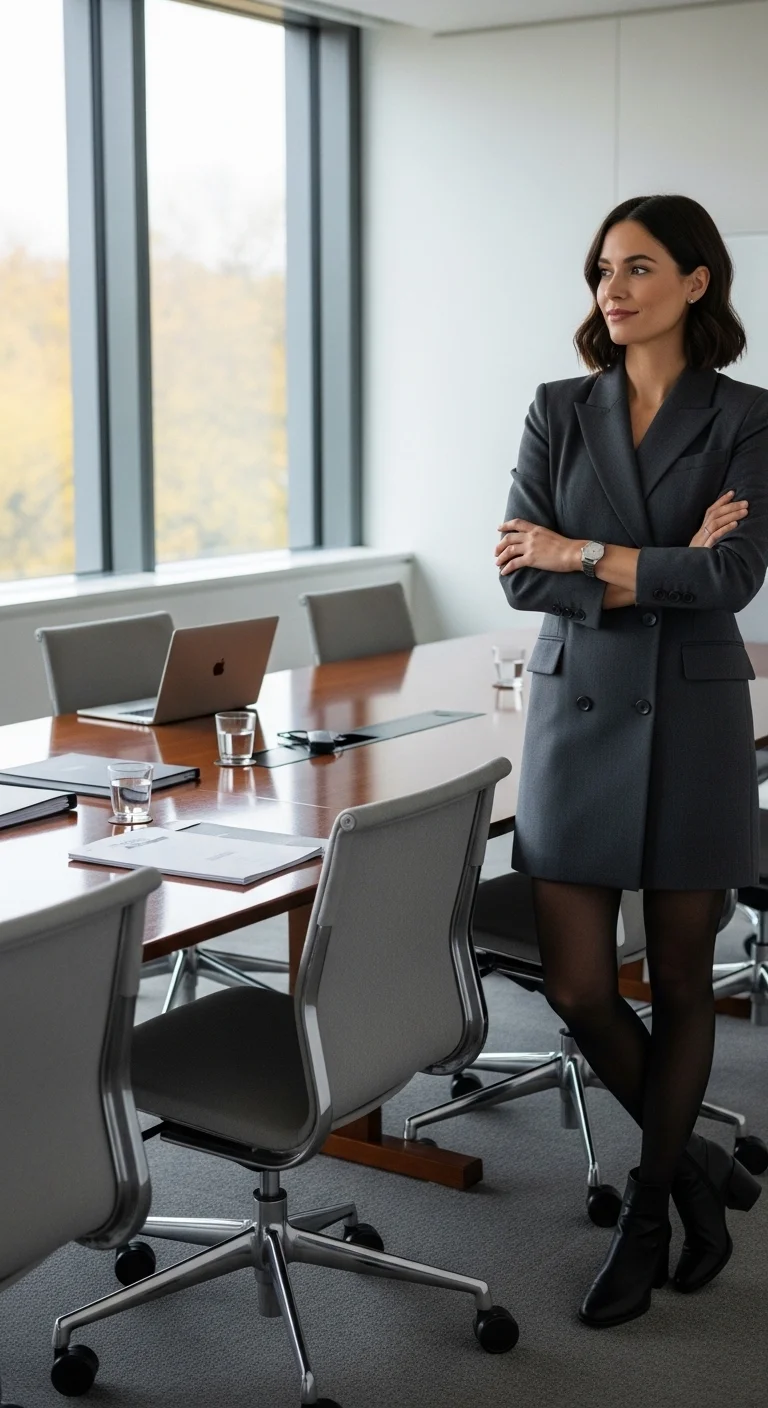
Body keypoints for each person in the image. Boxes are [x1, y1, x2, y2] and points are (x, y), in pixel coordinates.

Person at [494, 194, 767, 1329]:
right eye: (604, 267)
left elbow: (730, 579)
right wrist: (645, 562)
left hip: (697, 726)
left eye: (642, 266)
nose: (613, 287)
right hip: (574, 719)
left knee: (687, 979)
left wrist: (586, 552)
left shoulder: (748, 417)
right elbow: (519, 572)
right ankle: (699, 1178)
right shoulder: (558, 407)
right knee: (576, 984)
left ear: (698, 283)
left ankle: (649, 1211)